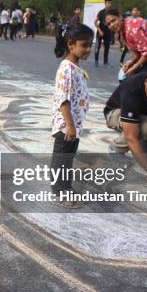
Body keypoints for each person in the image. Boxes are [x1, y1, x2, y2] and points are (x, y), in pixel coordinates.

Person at [50, 24, 94, 207]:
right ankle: (58, 192)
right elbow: (63, 99)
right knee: (61, 158)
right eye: (84, 45)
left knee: (68, 158)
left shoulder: (75, 67)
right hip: (66, 125)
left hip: (74, 125)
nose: (89, 49)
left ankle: (65, 187)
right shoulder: (66, 68)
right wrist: (69, 125)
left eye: (91, 45)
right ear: (70, 44)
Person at [94, 0, 113, 68]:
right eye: (108, 3)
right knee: (97, 47)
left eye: (111, 3)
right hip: (100, 32)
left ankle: (105, 62)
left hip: (108, 32)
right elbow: (95, 22)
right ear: (105, 4)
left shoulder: (112, 13)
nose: (110, 4)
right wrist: (100, 30)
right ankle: (96, 61)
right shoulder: (101, 12)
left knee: (107, 48)